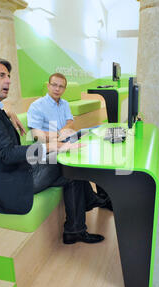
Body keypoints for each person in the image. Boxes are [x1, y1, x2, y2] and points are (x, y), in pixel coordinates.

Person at [0, 57, 104, 244]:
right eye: (1, 75)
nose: (8, 80)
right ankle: (88, 208)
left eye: (9, 76)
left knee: (72, 170)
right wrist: (50, 146)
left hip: (16, 170)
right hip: (7, 183)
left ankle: (76, 228)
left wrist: (7, 110)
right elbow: (7, 154)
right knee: (68, 164)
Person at [27, 73, 112, 210]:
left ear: (64, 89)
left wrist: (63, 132)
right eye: (54, 85)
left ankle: (98, 196)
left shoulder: (64, 103)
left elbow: (71, 122)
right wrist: (57, 135)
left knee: (96, 132)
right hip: (50, 146)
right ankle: (95, 199)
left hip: (65, 138)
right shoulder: (37, 106)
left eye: (61, 86)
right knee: (80, 159)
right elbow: (36, 134)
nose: (57, 89)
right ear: (48, 86)